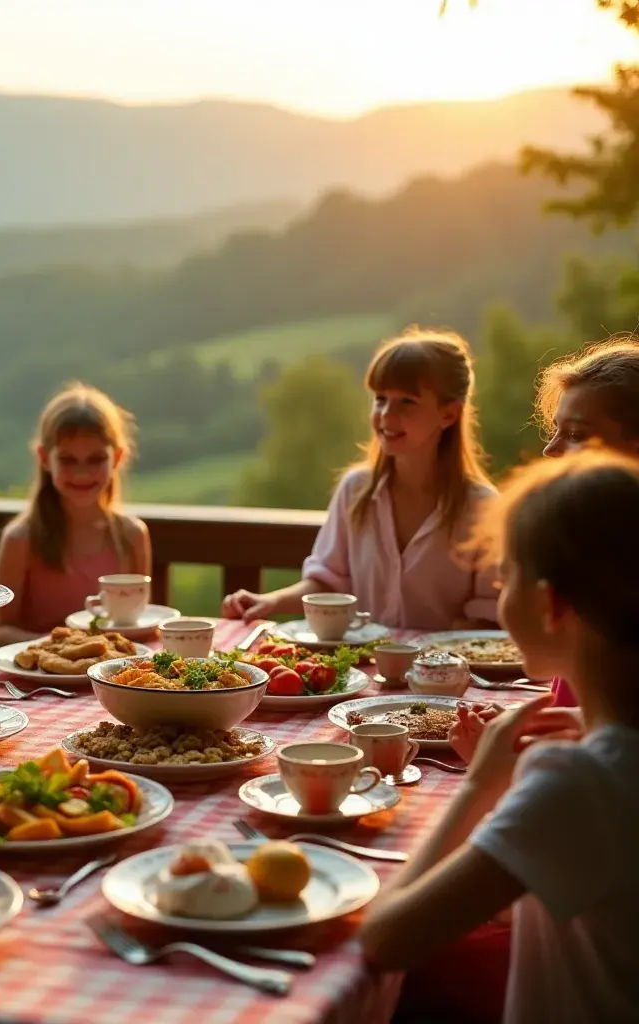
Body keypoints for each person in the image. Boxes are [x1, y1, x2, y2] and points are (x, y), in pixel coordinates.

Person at [360, 449, 639, 1022]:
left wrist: (481, 784)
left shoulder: (580, 781)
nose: (500, 593)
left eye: (506, 576)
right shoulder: (603, 757)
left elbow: (385, 941)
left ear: (549, 603)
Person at [222, 329, 498, 630]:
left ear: (449, 414)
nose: (387, 415)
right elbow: (327, 584)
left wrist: (426, 654)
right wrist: (270, 602)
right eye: (381, 399)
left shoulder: (483, 508)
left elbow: (490, 614)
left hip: (445, 674)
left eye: (407, 402)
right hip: (364, 671)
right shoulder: (355, 490)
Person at [450, 338, 639, 762]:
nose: (551, 449)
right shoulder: (592, 554)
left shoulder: (617, 585)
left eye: (574, 434)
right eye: (553, 431)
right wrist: (546, 726)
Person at [0, 383, 150, 645]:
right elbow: (1, 632)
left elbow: (142, 623)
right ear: (44, 458)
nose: (82, 473)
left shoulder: (132, 535)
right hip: (39, 680)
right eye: (68, 460)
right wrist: (65, 649)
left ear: (118, 457)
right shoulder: (20, 540)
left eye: (96, 459)